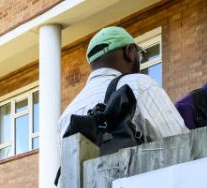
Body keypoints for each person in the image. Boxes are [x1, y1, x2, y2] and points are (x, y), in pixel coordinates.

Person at [58, 26, 187, 146]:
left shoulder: (67, 116)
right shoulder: (139, 85)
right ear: (130, 52)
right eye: (139, 55)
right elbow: (180, 144)